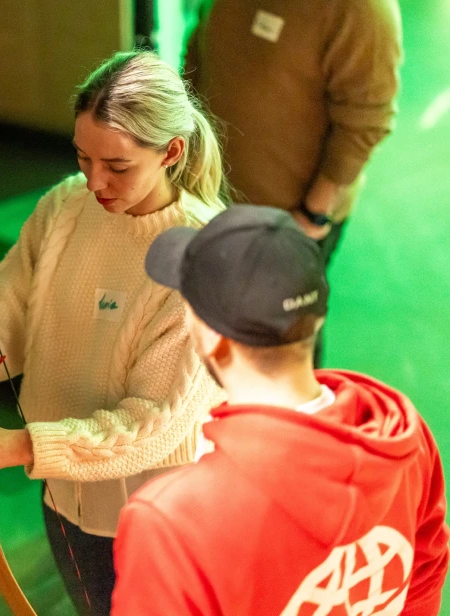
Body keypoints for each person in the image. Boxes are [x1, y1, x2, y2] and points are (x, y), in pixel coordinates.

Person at [0, 50, 226, 615]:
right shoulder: (65, 206)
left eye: (117, 166)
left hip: (156, 516)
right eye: (83, 157)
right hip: (63, 489)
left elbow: (153, 422)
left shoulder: (202, 260)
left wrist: (20, 445)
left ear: (171, 152)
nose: (94, 180)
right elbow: (6, 308)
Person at [111, 205, 449, 615]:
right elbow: (424, 576)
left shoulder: (168, 523)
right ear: (317, 319)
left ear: (214, 338)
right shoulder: (406, 440)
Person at [185, 0, 403, 364]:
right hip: (214, 203)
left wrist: (311, 217)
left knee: (280, 359)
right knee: (223, 341)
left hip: (289, 222)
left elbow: (366, 120)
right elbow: (198, 51)